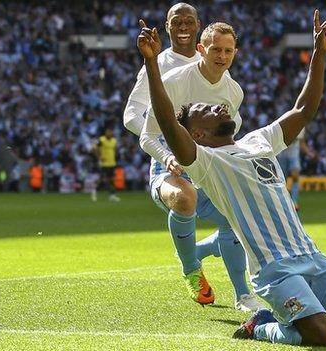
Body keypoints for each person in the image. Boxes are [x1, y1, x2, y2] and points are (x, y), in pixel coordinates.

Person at [137, 9, 326, 346]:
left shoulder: (259, 139)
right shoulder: (205, 162)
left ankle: (308, 317)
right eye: (203, 109)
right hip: (275, 269)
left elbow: (303, 110)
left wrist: (319, 54)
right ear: (196, 133)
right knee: (321, 336)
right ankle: (262, 326)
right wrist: (152, 63)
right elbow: (166, 120)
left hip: (312, 257)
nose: (215, 106)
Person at [127, 3, 263, 311]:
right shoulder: (173, 80)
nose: (221, 56)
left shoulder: (234, 92)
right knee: (185, 196)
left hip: (207, 167)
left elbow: (230, 133)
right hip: (169, 166)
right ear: (202, 49)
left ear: (235, 53)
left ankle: (243, 295)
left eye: (228, 51)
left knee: (236, 218)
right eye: (216, 49)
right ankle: (191, 270)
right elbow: (147, 133)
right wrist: (168, 157)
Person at [276, 129, 316, 211]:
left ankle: (294, 202)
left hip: (294, 155)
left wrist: (309, 153)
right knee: (283, 180)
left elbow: (301, 142)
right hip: (282, 155)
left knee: (296, 176)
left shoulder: (301, 127)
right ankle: (283, 202)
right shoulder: (284, 122)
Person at [93, 127, 120, 202]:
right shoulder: (102, 140)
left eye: (111, 132)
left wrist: (115, 156)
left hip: (112, 163)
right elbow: (94, 148)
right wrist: (99, 157)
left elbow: (115, 150)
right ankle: (95, 192)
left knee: (111, 180)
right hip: (104, 164)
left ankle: (112, 195)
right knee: (104, 180)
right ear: (105, 133)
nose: (110, 133)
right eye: (108, 132)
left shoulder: (114, 141)